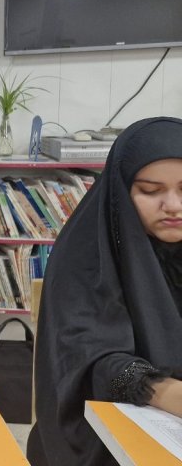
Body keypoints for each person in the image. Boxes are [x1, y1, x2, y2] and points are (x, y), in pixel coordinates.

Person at [28, 116, 182, 466]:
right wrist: (169, 393)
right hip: (101, 434)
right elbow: (92, 363)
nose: (172, 205)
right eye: (150, 191)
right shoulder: (85, 257)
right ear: (120, 192)